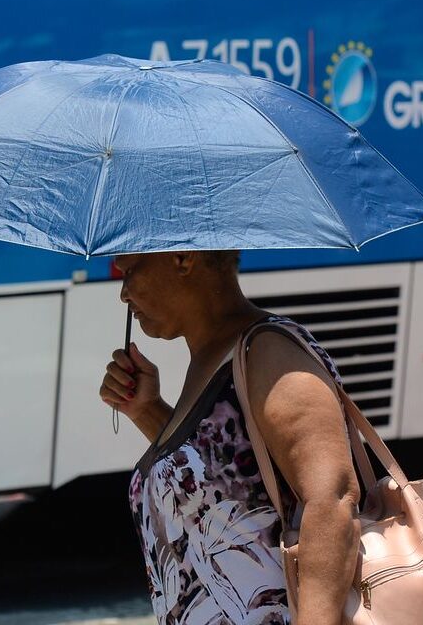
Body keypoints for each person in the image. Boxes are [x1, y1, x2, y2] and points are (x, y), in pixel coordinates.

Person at [99, 250, 361, 625]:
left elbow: (331, 500)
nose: (123, 293)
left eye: (129, 271)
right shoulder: (210, 358)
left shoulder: (268, 352)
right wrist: (147, 409)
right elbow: (216, 484)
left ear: (183, 258)